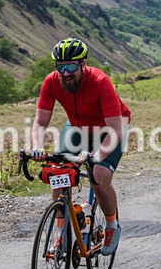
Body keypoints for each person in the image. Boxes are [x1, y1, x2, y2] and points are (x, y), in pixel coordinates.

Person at [30, 38, 130, 256]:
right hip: (77, 127)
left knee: (99, 177)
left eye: (71, 66)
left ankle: (112, 226)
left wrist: (97, 155)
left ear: (82, 64)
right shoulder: (51, 82)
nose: (66, 73)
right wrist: (37, 146)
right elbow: (40, 122)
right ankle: (60, 234)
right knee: (58, 172)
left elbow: (115, 128)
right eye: (60, 67)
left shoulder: (100, 81)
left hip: (110, 127)